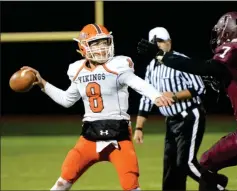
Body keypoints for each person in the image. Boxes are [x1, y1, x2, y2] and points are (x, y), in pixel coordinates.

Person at [21, 23, 174, 191]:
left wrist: (156, 95)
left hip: (119, 136)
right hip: (89, 138)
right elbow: (66, 100)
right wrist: (42, 83)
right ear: (83, 47)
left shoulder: (118, 66)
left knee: (131, 185)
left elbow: (138, 83)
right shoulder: (78, 70)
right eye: (96, 43)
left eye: (105, 42)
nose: (102, 47)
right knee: (62, 182)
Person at [137, 12, 237, 191]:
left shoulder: (235, 50)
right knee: (206, 163)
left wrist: (161, 56)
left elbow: (203, 68)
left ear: (229, 31)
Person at [135, 27, 228, 191]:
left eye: (161, 42)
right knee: (170, 166)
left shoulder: (180, 61)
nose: (158, 45)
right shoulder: (151, 67)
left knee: (186, 163)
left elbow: (199, 88)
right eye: (154, 43)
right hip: (171, 121)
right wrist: (139, 127)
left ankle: (218, 184)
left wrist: (175, 96)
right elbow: (146, 96)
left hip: (189, 116)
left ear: (169, 42)